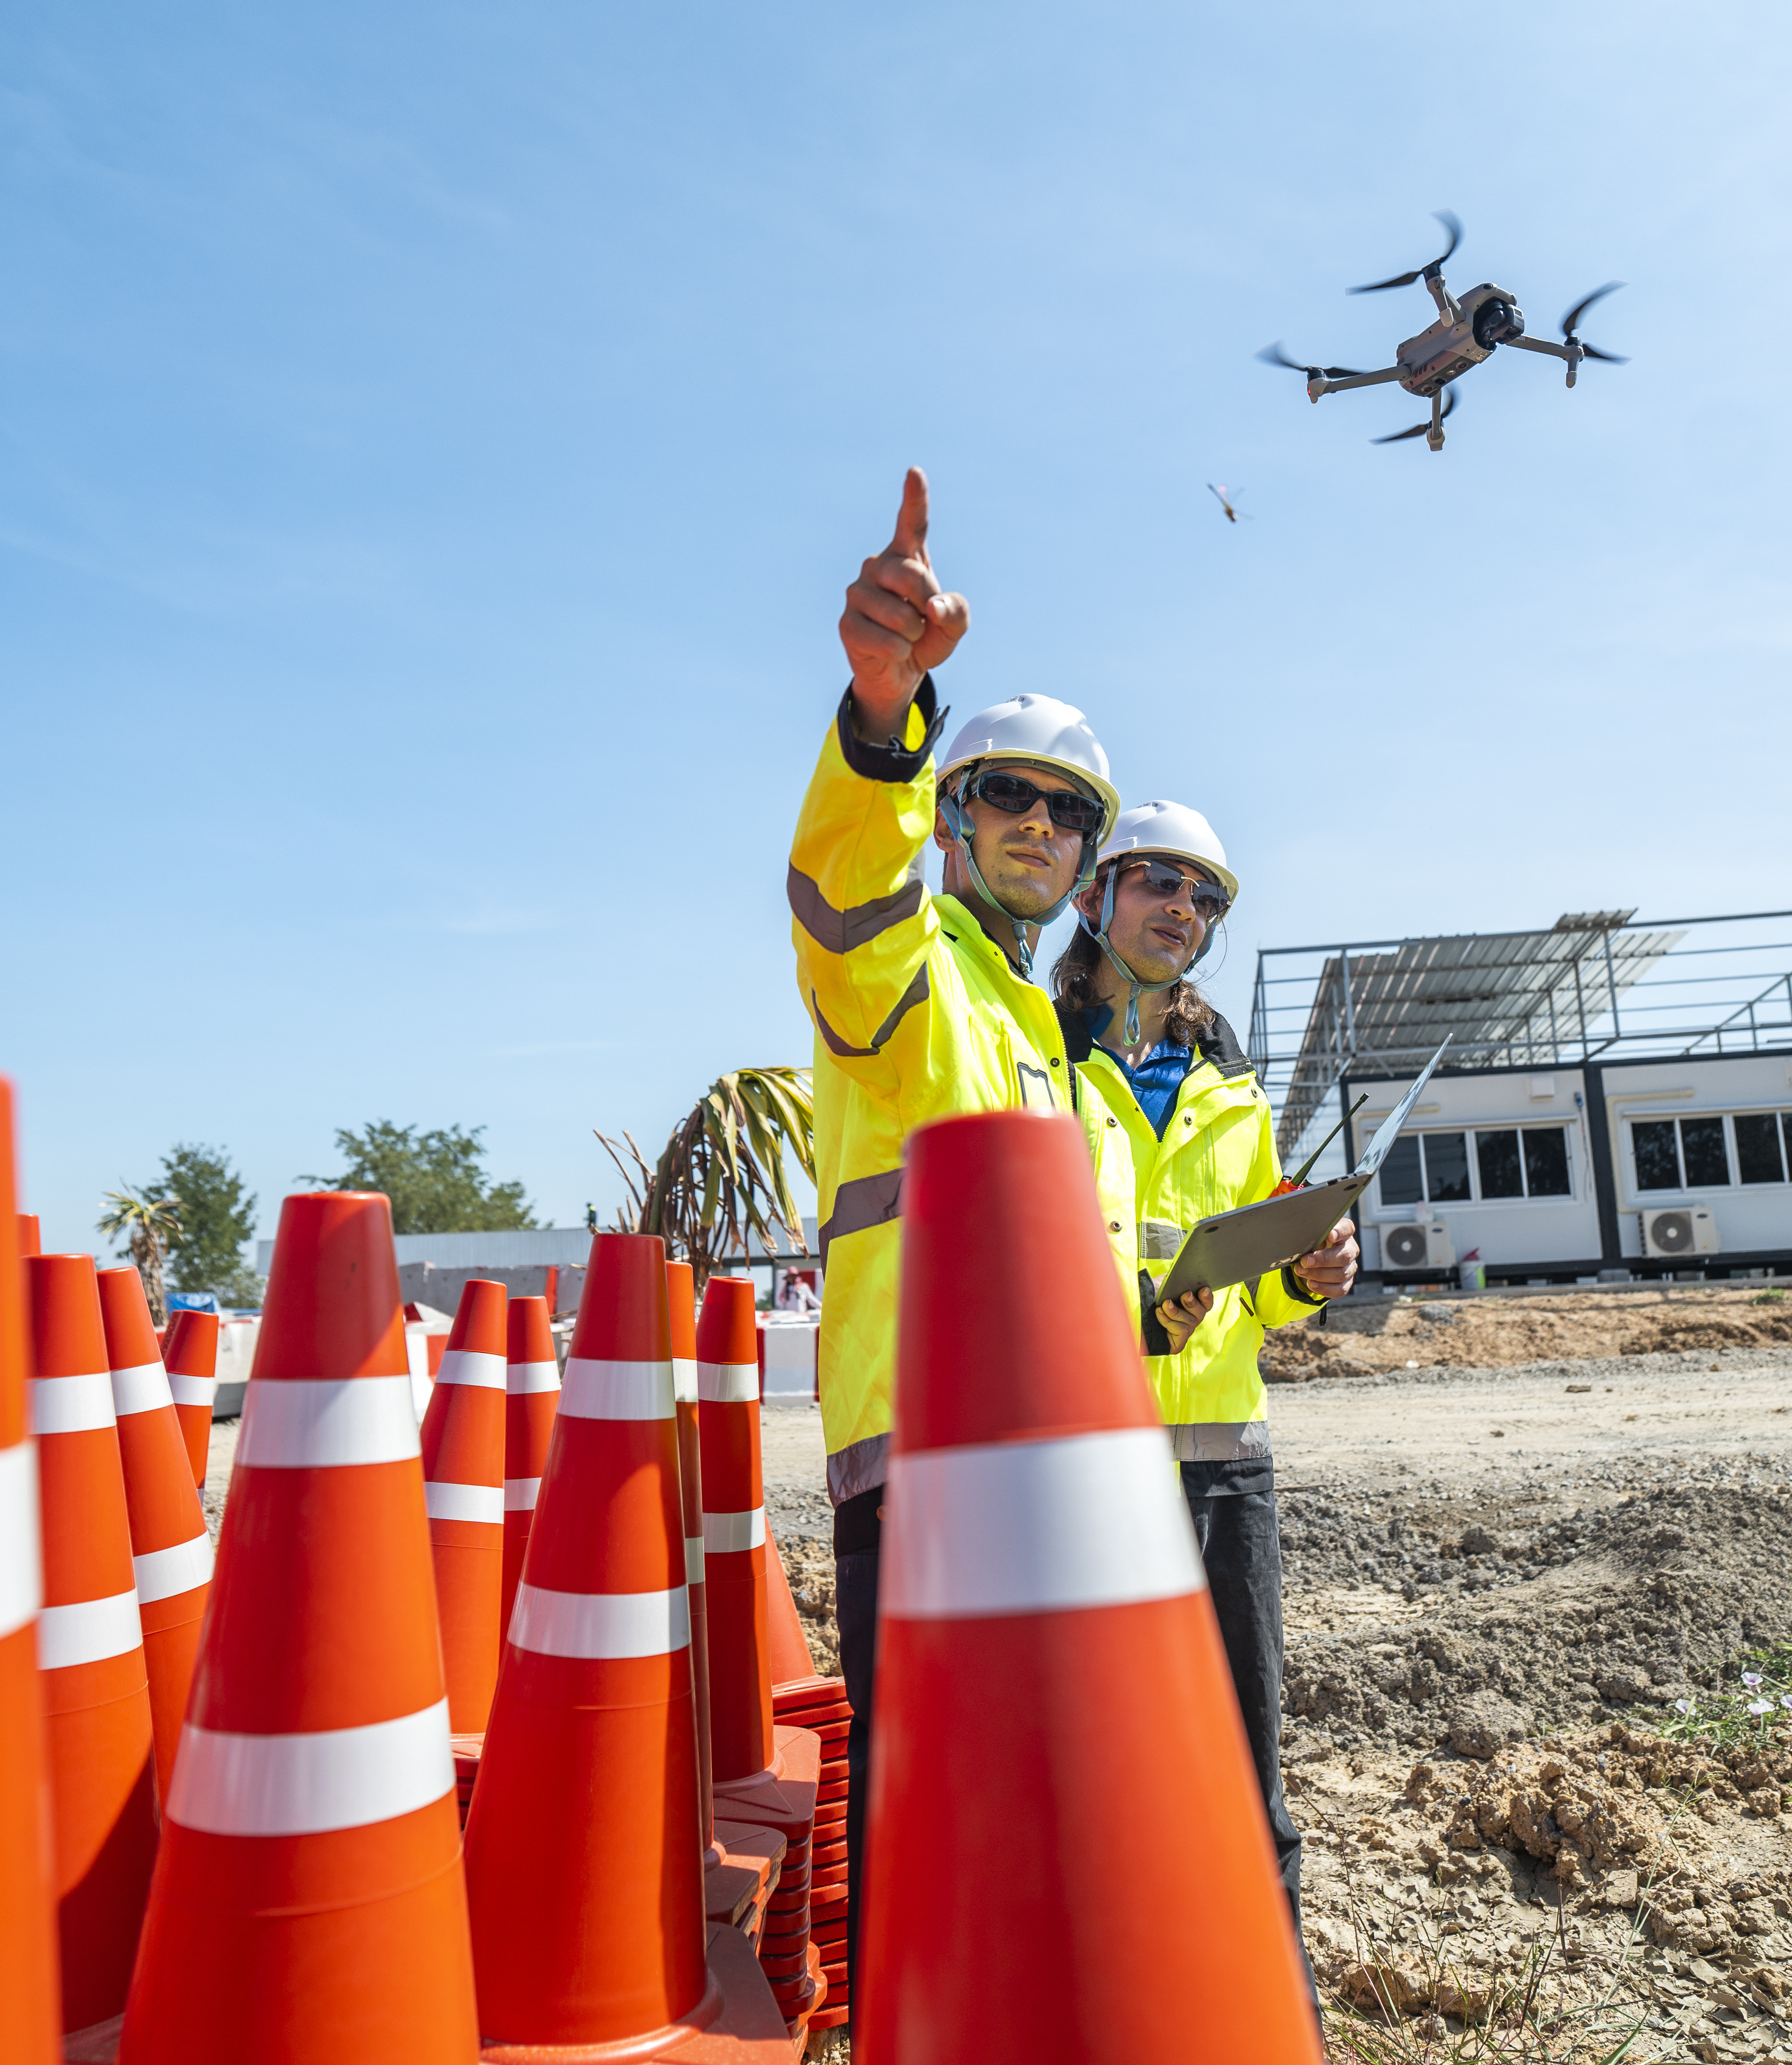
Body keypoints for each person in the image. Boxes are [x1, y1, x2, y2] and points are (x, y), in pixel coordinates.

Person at [787, 466, 1122, 1977]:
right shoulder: (909, 965)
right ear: (948, 811)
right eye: (1009, 794)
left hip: (1045, 1459)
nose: (1040, 827)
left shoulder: (1041, 1028)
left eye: (1070, 813)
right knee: (933, 1827)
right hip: (921, 1451)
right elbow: (843, 905)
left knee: (1029, 1816)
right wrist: (880, 717)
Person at [1056, 800, 1360, 1935]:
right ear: (1097, 896)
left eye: (1205, 896)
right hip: (1081, 1460)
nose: (1183, 908)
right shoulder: (1035, 1052)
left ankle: (1275, 2014)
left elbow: (1259, 1277)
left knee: (1245, 1767)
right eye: (1159, 883)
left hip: (1226, 1466)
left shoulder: (1230, 1080)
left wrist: (1309, 1268)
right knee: (1091, 1766)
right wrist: (1128, 1314)